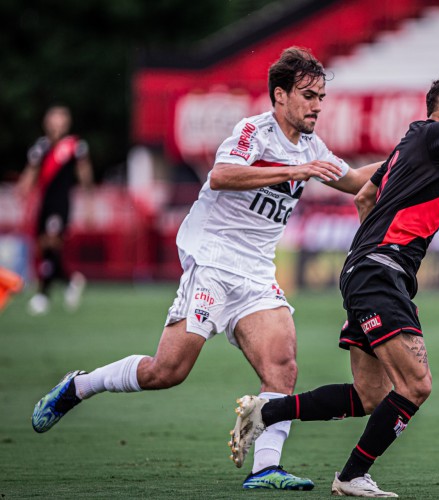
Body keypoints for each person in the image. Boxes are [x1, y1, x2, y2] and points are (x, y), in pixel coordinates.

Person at [31, 47, 380, 491]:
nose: (317, 105)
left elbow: (354, 182)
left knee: (282, 366)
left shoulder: (312, 147)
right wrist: (294, 169)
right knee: (167, 372)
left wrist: (413, 160)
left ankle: (264, 469)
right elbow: (221, 175)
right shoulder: (254, 131)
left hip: (255, 272)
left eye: (321, 97)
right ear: (280, 95)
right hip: (213, 260)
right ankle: (79, 387)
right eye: (308, 95)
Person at [228, 65, 439, 497]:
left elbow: (366, 194)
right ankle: (351, 476)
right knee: (416, 386)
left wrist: (370, 249)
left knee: (370, 396)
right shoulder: (434, 133)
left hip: (371, 271)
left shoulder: (412, 147)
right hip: (379, 274)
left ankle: (268, 411)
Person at [17, 105, 93, 315]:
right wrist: (22, 189)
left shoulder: (74, 146)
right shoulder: (41, 147)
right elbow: (31, 172)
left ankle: (43, 294)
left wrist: (88, 199)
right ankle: (70, 280)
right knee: (44, 246)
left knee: (51, 241)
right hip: (45, 203)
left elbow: (84, 172)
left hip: (61, 204)